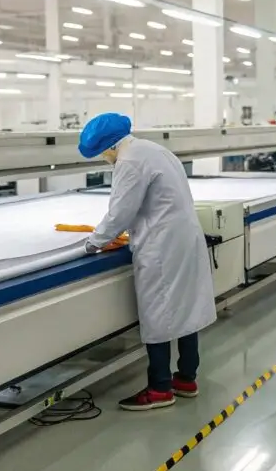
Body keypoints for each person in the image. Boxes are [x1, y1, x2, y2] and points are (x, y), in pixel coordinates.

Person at [79, 113, 217, 411]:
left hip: (161, 245)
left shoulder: (129, 162)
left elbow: (120, 212)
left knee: (158, 315)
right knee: (185, 308)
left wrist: (93, 242)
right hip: (184, 237)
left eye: (102, 153)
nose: (104, 159)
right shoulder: (154, 150)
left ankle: (159, 388)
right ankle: (186, 378)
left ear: (111, 146)